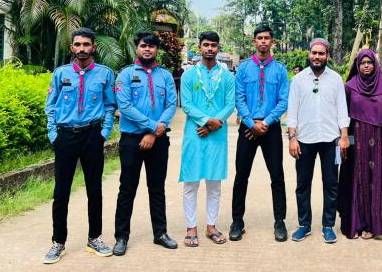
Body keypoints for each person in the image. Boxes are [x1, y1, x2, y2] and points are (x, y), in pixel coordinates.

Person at [43, 28, 116, 264]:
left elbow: (109, 105)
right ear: (72, 47)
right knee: (61, 192)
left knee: (94, 190)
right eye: (78, 44)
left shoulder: (105, 74)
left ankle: (94, 238)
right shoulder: (60, 73)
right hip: (65, 137)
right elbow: (50, 106)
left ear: (93, 47)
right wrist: (53, 134)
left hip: (92, 136)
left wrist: (104, 133)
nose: (82, 48)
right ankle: (58, 242)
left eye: (86, 44)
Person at [112, 32, 178, 255]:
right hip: (132, 140)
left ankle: (160, 233)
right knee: (127, 188)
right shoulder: (125, 75)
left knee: (157, 188)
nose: (147, 49)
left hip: (158, 140)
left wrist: (156, 131)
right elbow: (125, 107)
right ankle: (121, 237)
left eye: (151, 46)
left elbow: (171, 104)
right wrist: (152, 126)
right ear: (137, 48)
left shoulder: (165, 76)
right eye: (143, 46)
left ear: (157, 49)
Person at [287, 38, 350, 244]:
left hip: (331, 140)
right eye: (314, 53)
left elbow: (342, 110)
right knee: (302, 184)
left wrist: (344, 137)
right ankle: (304, 225)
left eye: (321, 53)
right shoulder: (298, 80)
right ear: (309, 54)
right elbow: (292, 111)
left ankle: (328, 225)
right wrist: (292, 138)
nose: (317, 57)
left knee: (331, 184)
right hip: (304, 139)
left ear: (327, 56)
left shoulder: (336, 79)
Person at [231, 25, 290, 242]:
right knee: (241, 175)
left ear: (272, 42)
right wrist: (250, 123)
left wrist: (265, 122)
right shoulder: (244, 68)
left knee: (277, 176)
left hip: (270, 128)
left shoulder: (280, 70)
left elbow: (284, 100)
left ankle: (280, 222)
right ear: (254, 42)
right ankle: (237, 221)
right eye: (259, 38)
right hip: (247, 128)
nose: (263, 41)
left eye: (267, 38)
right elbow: (239, 98)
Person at [179, 31, 235, 247]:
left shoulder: (228, 76)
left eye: (213, 45)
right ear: (200, 47)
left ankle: (211, 226)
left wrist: (213, 125)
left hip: (217, 135)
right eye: (206, 45)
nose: (210, 48)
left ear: (218, 48)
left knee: (214, 183)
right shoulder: (189, 75)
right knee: (191, 182)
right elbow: (186, 104)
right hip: (194, 133)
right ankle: (191, 227)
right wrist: (206, 121)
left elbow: (230, 104)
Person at [337, 49, 382, 239]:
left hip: (378, 139)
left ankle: (372, 225)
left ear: (375, 64)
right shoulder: (349, 86)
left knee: (375, 180)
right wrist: (344, 140)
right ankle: (355, 224)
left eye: (369, 62)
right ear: (357, 65)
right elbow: (343, 115)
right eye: (362, 63)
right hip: (355, 138)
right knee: (355, 178)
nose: (366, 66)